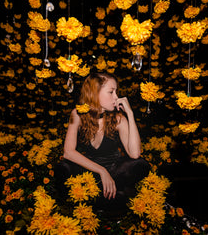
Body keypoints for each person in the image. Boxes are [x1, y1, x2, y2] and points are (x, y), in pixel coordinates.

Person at [54, 72, 150, 215]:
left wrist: (130, 114)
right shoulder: (77, 114)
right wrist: (101, 171)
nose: (116, 97)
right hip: (90, 172)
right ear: (95, 92)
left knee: (140, 164)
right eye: (111, 92)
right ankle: (107, 200)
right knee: (63, 167)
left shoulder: (118, 118)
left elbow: (135, 154)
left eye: (116, 92)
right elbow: (68, 152)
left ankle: (100, 201)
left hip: (115, 171)